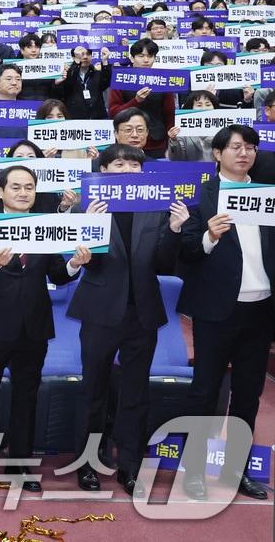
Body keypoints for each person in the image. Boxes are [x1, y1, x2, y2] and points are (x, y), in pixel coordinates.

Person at [66, 143, 187, 497]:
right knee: (93, 391)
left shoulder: (157, 208)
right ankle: (86, 464)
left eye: (134, 164)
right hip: (101, 311)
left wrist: (177, 229)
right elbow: (84, 261)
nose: (127, 169)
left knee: (135, 393)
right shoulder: (84, 206)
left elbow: (164, 262)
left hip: (143, 312)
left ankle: (130, 467)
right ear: (104, 169)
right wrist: (89, 221)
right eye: (119, 163)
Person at [0, 165, 88, 492]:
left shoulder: (44, 228)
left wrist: (75, 263)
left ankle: (21, 464)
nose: (22, 192)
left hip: (34, 328)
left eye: (29, 187)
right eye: (15, 187)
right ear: (1, 192)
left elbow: (58, 275)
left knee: (26, 398)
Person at [176, 125, 273, 500]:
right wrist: (209, 237)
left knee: (248, 396)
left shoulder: (267, 195)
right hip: (216, 311)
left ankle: (237, 472)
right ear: (217, 154)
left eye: (250, 147)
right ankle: (194, 472)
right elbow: (185, 252)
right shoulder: (201, 196)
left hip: (261, 309)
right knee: (204, 394)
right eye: (235, 147)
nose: (244, 153)